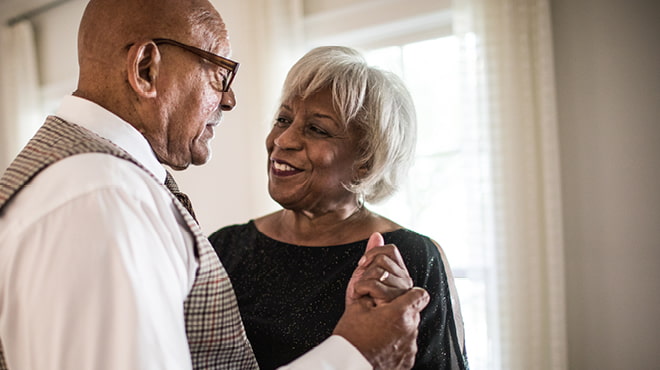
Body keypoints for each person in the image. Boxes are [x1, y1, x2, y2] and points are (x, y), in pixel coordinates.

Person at [0, 1, 431, 369]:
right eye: (219, 74)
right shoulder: (103, 199)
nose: (229, 99)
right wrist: (354, 356)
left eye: (317, 129)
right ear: (146, 69)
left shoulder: (93, 186)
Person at [209, 46, 470, 370]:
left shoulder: (412, 257)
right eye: (283, 119)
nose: (283, 140)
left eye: (317, 129)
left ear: (366, 162)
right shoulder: (222, 248)